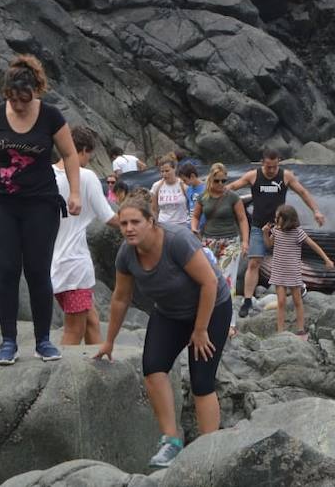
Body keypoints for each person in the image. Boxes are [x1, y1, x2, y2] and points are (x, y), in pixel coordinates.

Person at [0, 55, 82, 365]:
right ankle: (8, 341)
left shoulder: (51, 116)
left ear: (36, 91)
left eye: (23, 100)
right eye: (12, 99)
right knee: (7, 270)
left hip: (40, 202)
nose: (17, 105)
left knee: (38, 271)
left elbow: (69, 154)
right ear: (6, 93)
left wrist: (76, 192)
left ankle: (43, 340)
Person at [95, 196, 232, 469]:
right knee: (153, 369)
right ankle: (171, 441)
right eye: (123, 223)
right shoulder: (126, 253)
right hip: (170, 313)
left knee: (201, 380)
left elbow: (208, 283)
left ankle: (209, 451)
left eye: (135, 222)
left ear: (151, 221)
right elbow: (121, 298)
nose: (129, 228)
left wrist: (201, 329)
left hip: (211, 307)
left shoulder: (176, 240)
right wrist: (108, 341)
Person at [228, 147, 327, 318]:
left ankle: (299, 286)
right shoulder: (253, 176)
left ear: (278, 163)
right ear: (262, 163)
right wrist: (213, 190)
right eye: (268, 167)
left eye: (275, 166)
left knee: (288, 260)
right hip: (259, 226)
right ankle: (247, 300)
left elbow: (303, 192)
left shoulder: (285, 176)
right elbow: (233, 186)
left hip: (281, 228)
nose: (272, 170)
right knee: (254, 262)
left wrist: (316, 211)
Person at [51, 125, 120, 345]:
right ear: (81, 150)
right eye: (89, 154)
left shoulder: (46, 174)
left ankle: (99, 366)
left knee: (91, 320)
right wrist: (142, 224)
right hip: (74, 267)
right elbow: (109, 217)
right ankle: (64, 377)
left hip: (49, 263)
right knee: (74, 330)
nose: (89, 160)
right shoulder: (86, 177)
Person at [190, 162, 247, 329]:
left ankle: (229, 322)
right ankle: (209, 317)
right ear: (211, 179)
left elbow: (242, 219)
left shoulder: (232, 197)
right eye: (217, 181)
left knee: (226, 279)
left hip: (230, 241)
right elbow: (195, 216)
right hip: (208, 241)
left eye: (224, 181)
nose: (221, 184)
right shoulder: (204, 197)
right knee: (208, 278)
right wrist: (194, 228)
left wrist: (245, 241)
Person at [263, 204, 333, 335]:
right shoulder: (276, 231)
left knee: (297, 300)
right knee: (281, 301)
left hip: (293, 271)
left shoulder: (297, 232)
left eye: (278, 218)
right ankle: (280, 330)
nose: (275, 219)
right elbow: (269, 244)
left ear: (287, 219)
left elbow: (313, 245)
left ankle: (300, 328)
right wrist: (265, 233)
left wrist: (326, 259)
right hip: (279, 270)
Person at [149, 159, 189, 226]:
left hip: (181, 224)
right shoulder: (156, 186)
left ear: (174, 169)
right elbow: (154, 209)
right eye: (162, 171)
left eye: (167, 171)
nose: (164, 174)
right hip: (163, 224)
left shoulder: (183, 185)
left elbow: (191, 206)